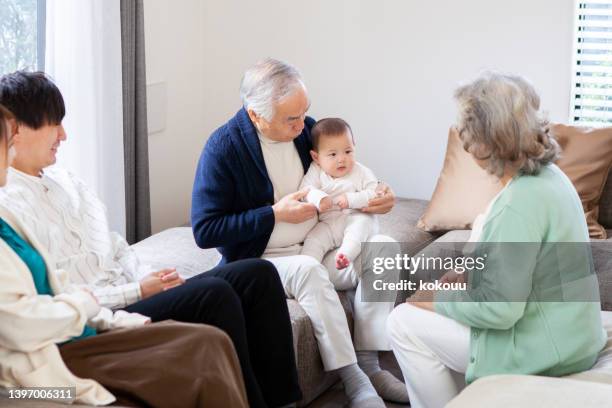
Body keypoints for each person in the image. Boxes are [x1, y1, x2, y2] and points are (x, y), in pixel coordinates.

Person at [0, 71, 301, 408]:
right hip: (110, 308)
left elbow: (116, 247)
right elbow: (63, 293)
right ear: (15, 130)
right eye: (53, 124)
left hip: (134, 290)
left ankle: (285, 402)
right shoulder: (10, 207)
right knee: (215, 295)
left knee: (256, 275)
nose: (64, 135)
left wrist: (150, 276)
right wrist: (137, 290)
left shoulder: (68, 182)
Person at [191, 58, 408, 407]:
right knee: (307, 270)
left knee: (383, 249)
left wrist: (379, 195)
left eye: (304, 112)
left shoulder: (305, 131)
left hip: (318, 244)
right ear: (255, 116)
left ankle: (372, 366)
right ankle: (355, 381)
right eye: (291, 118)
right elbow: (205, 230)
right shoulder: (223, 149)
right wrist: (273, 214)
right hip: (265, 260)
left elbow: (345, 172)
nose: (302, 124)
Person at [386, 72, 607, 408]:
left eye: (467, 132)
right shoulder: (552, 179)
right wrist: (469, 278)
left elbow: (500, 310)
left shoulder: (516, 205)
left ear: (487, 142)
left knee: (402, 322)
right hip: (573, 338)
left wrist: (433, 299)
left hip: (544, 353)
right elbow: (532, 270)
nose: (462, 139)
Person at [300, 117, 378, 270]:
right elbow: (305, 189)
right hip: (328, 223)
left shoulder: (360, 171)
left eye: (348, 151)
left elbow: (374, 193)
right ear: (316, 157)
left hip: (354, 216)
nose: (342, 159)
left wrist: (351, 199)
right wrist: (319, 198)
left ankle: (345, 255)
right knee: (314, 239)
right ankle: (307, 267)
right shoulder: (316, 170)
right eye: (333, 154)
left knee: (361, 225)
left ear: (354, 147)